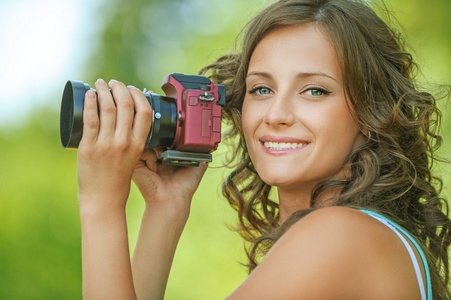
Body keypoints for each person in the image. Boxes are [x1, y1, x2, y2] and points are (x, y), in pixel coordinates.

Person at [76, 0, 451, 299]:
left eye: (314, 90)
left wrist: (101, 204)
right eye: (261, 89)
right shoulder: (364, 235)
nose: (276, 114)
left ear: (372, 113)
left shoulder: (339, 234)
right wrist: (166, 210)